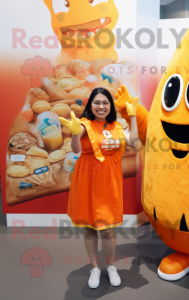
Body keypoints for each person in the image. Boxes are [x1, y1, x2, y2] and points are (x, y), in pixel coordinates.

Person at [59, 86, 140, 289]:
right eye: (97, 102)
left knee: (108, 231)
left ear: (110, 105)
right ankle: (95, 268)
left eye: (105, 102)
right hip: (87, 180)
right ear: (90, 105)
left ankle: (111, 266)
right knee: (89, 228)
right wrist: (76, 134)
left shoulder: (117, 126)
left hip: (109, 182)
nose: (101, 106)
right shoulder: (85, 124)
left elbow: (136, 144)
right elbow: (76, 149)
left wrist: (132, 117)